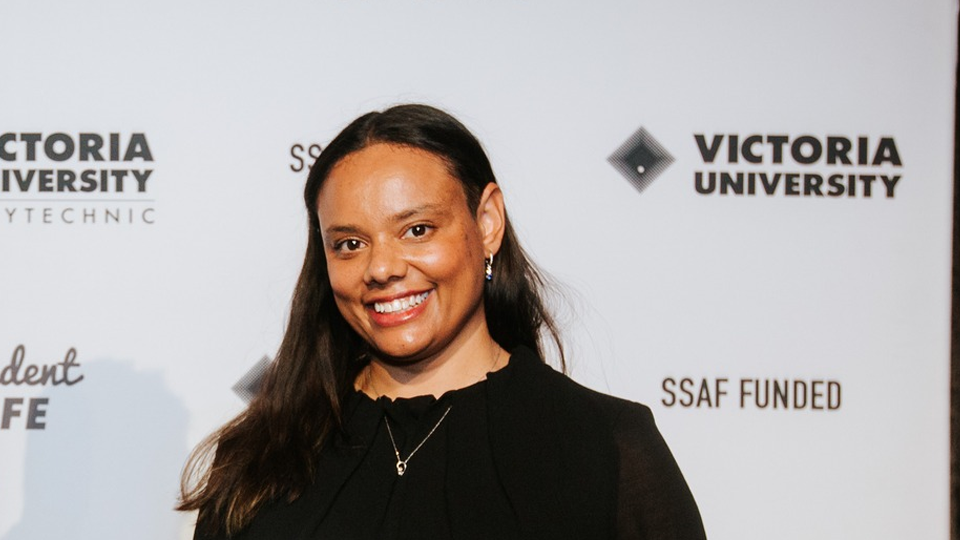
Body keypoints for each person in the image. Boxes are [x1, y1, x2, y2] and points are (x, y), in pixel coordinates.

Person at [178, 104, 707, 540]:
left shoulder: (607, 445)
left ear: (488, 222)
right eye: (350, 244)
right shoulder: (261, 458)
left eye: (417, 230)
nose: (381, 268)